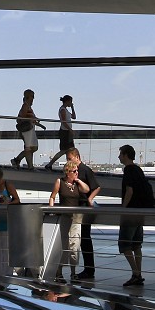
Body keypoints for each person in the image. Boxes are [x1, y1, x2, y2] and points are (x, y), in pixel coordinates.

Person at [117, 145, 155, 287]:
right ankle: (138, 272)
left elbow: (129, 191)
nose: (119, 157)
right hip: (140, 212)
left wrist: (123, 209)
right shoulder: (138, 170)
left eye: (121, 154)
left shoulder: (128, 170)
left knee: (125, 244)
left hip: (131, 212)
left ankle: (136, 274)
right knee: (136, 245)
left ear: (126, 155)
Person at [48, 162, 88, 282]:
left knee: (75, 245)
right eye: (74, 171)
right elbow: (52, 196)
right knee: (63, 246)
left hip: (76, 219)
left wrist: (78, 180)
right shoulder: (60, 182)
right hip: (64, 218)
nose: (76, 173)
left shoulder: (76, 184)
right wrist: (52, 210)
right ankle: (59, 272)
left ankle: (73, 272)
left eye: (77, 171)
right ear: (68, 172)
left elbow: (86, 190)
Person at [64, 148, 100, 280]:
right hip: (75, 207)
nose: (68, 161)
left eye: (69, 158)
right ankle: (87, 269)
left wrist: (90, 199)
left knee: (84, 238)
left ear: (77, 157)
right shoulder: (71, 171)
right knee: (79, 238)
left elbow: (96, 186)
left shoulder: (84, 170)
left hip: (83, 207)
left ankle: (89, 269)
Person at [9, 89, 43, 170]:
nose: (33, 98)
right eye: (32, 96)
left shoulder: (28, 106)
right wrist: (32, 119)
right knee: (29, 148)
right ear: (28, 96)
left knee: (32, 147)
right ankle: (29, 166)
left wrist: (37, 123)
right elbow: (22, 118)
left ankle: (18, 160)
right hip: (27, 130)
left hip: (30, 129)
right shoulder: (25, 106)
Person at [44, 96, 76, 170]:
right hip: (65, 132)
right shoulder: (62, 110)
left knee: (69, 150)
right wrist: (70, 130)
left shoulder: (66, 110)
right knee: (65, 150)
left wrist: (72, 108)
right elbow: (64, 122)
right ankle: (50, 164)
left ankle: (69, 166)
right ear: (67, 101)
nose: (71, 103)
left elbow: (74, 117)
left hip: (67, 132)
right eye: (70, 102)